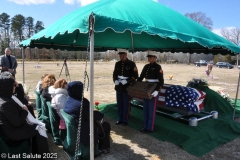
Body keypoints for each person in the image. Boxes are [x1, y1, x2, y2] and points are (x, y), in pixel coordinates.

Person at [0, 71, 49, 157]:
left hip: (11, 127)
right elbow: (17, 122)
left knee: (37, 127)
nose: (15, 88)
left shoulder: (5, 97)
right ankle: (43, 155)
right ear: (8, 87)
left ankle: (37, 153)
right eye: (13, 86)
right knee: (40, 129)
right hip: (12, 132)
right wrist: (25, 110)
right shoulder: (6, 103)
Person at [64, 81, 111, 154]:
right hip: (84, 130)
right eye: (81, 89)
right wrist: (101, 114)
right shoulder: (81, 104)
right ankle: (102, 148)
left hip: (75, 128)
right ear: (77, 90)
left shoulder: (69, 99)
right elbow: (91, 116)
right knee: (106, 125)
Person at [137, 50, 164, 133]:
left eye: (151, 57)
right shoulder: (146, 66)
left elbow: (161, 81)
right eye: (148, 57)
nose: (149, 59)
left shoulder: (158, 67)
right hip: (146, 88)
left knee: (151, 110)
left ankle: (150, 128)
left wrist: (157, 91)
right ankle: (145, 126)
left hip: (154, 89)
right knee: (145, 109)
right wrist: (134, 82)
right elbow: (141, 78)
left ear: (155, 58)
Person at [112, 49, 138, 126]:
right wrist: (115, 80)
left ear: (126, 54)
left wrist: (128, 81)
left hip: (127, 87)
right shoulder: (117, 64)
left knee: (126, 103)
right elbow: (114, 74)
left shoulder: (131, 64)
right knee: (119, 103)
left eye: (122, 55)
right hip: (119, 87)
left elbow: (135, 76)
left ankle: (125, 119)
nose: (121, 56)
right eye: (120, 55)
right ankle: (120, 118)